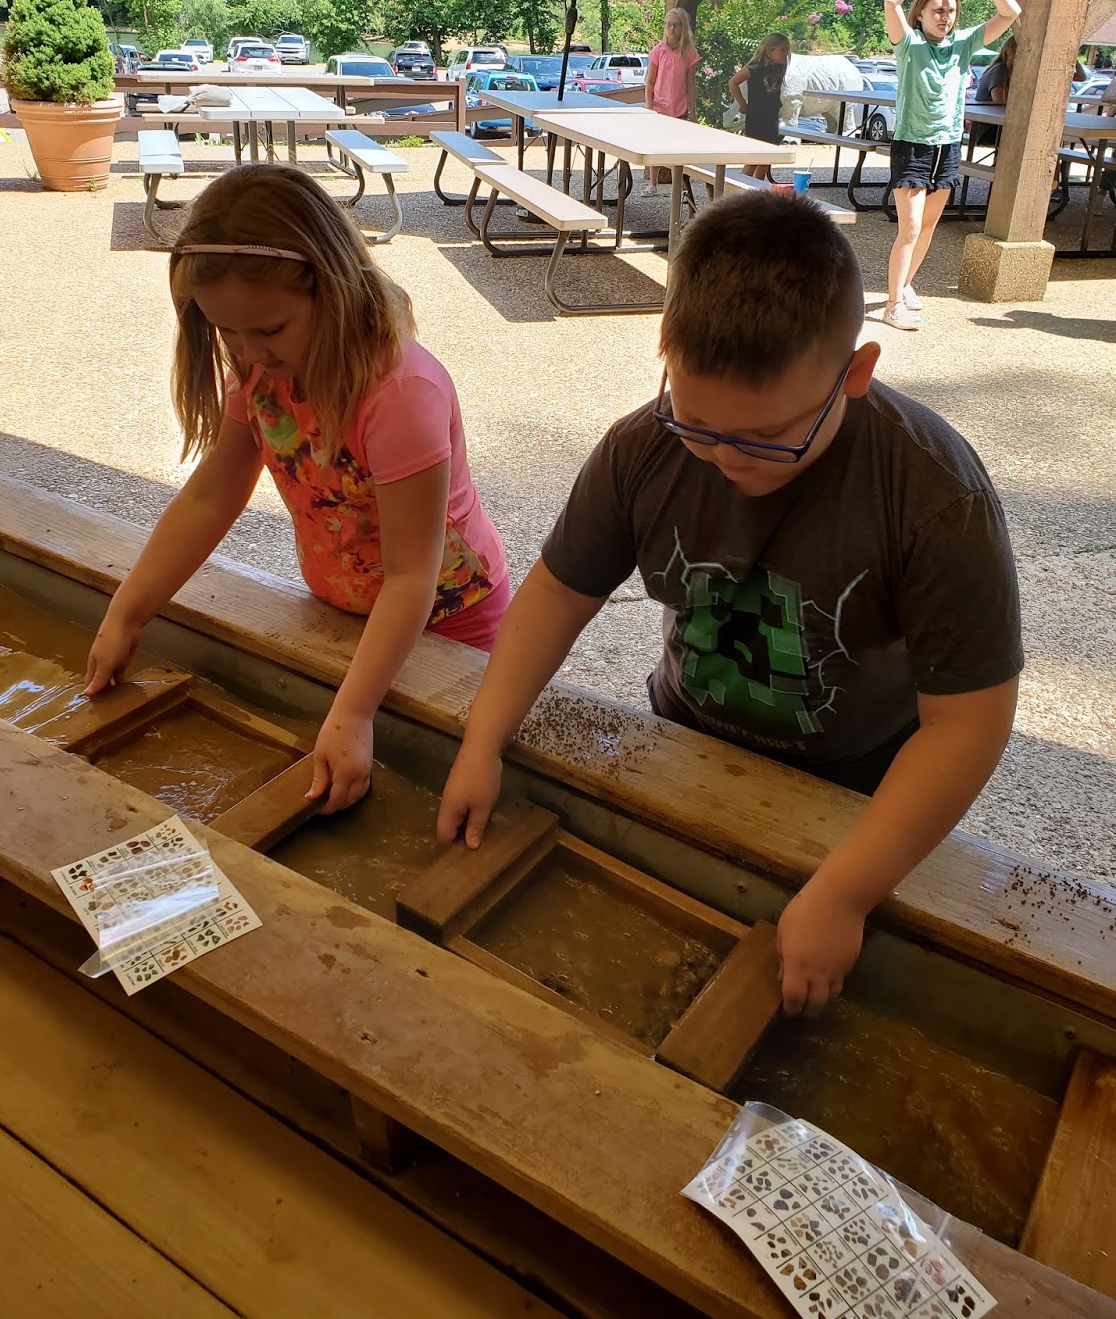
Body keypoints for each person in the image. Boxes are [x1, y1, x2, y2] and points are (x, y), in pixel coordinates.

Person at [437, 192, 1022, 1019]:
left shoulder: (933, 494)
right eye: (698, 423)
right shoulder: (645, 446)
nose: (722, 460)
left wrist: (849, 891)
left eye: (764, 438)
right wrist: (484, 737)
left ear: (855, 374)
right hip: (687, 738)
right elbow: (557, 596)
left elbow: (968, 723)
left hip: (858, 787)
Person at [84, 164, 509, 812]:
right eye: (226, 330)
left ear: (332, 289)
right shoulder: (261, 374)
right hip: (344, 613)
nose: (248, 352)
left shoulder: (399, 395)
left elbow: (410, 576)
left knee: (433, 789)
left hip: (453, 623)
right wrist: (127, 613)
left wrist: (354, 711)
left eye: (269, 330)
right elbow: (210, 496)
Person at [883, 0, 1020, 331]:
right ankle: (894, 305)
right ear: (922, 13)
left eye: (951, 11)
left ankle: (906, 284)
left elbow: (1010, 12)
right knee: (908, 228)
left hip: (947, 145)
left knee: (927, 226)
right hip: (913, 145)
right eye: (938, 9)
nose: (946, 17)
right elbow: (891, 2)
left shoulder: (963, 44)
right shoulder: (908, 43)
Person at [645, 6, 699, 191]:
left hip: (679, 107)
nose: (671, 28)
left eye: (675, 25)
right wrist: (649, 106)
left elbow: (691, 83)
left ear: (683, 27)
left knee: (678, 147)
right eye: (668, 24)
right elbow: (650, 82)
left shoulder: (689, 52)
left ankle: (680, 184)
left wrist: (693, 110)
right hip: (660, 107)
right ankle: (653, 183)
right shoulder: (658, 51)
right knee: (656, 146)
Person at [728, 31, 790, 179]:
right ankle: (743, 188)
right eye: (782, 50)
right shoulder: (755, 67)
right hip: (756, 116)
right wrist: (742, 103)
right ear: (769, 51)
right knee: (754, 157)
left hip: (772, 115)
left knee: (767, 157)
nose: (785, 54)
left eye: (787, 51)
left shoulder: (781, 66)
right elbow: (733, 82)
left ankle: (758, 190)